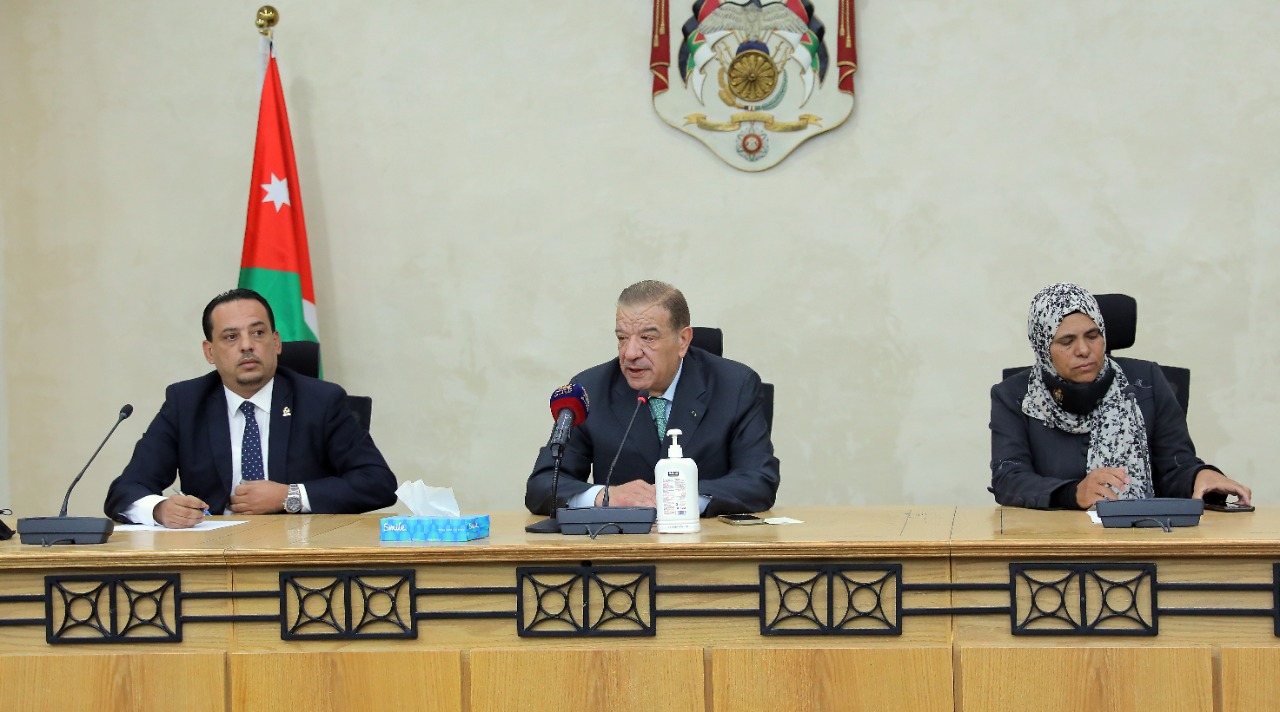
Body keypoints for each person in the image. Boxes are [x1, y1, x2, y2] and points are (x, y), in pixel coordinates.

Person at [104, 288, 397, 528]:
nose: (247, 346)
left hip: (300, 554)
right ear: (209, 352)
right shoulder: (186, 403)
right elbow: (125, 490)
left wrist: (289, 496)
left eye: (257, 333)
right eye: (231, 337)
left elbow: (378, 483)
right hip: (212, 556)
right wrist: (159, 509)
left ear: (276, 342)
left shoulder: (320, 400)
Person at [525, 280, 779, 517]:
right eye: (622, 338)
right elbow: (543, 485)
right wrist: (605, 496)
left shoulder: (734, 386)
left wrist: (676, 497)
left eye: (647, 338)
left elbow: (759, 481)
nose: (630, 353)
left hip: (705, 539)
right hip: (621, 542)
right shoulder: (590, 389)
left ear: (683, 340)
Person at [989, 282, 1250, 510]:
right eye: (1067, 342)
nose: (1083, 350)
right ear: (1043, 347)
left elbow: (1175, 466)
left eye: (1093, 336)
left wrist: (1200, 475)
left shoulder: (1146, 382)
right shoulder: (1015, 396)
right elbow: (1009, 478)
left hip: (1142, 534)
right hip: (1054, 539)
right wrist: (1071, 493)